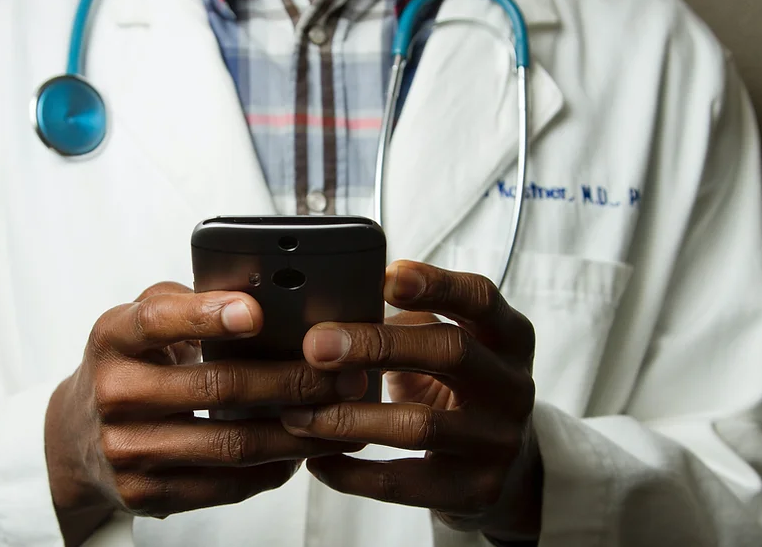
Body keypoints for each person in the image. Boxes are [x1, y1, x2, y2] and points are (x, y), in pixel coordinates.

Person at [2, 0, 762, 545]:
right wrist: (59, 459)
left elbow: (745, 484)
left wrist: (545, 484)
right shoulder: (17, 33)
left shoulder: (657, 52)